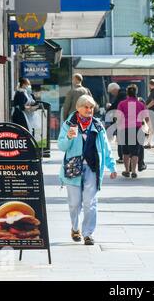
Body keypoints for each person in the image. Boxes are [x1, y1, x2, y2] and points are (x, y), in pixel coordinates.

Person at [58, 95, 117, 245]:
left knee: (90, 202)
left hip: (92, 168)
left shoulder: (97, 125)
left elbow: (105, 147)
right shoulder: (69, 124)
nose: (89, 110)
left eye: (91, 107)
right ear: (78, 108)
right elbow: (61, 146)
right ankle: (75, 228)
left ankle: (88, 233)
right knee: (74, 203)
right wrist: (69, 138)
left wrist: (112, 166)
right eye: (86, 107)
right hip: (73, 167)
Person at [117, 84, 148, 179]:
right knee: (135, 151)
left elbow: (118, 117)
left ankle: (127, 170)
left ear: (127, 93)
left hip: (125, 129)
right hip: (137, 129)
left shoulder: (122, 104)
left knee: (125, 151)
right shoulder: (141, 104)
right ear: (136, 93)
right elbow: (146, 118)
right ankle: (134, 171)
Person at [106, 82, 127, 164]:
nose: (112, 94)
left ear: (114, 89)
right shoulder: (123, 93)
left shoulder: (121, 95)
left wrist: (109, 108)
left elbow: (116, 106)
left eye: (111, 92)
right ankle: (122, 156)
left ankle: (122, 156)